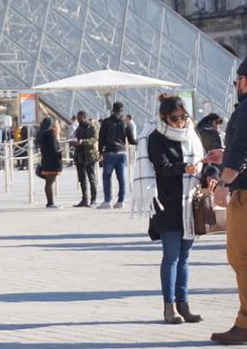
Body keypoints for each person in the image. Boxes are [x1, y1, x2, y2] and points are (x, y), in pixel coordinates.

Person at [134, 94, 217, 325]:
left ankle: (184, 303)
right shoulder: (155, 138)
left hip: (190, 204)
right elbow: (162, 167)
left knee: (185, 257)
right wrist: (185, 168)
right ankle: (169, 306)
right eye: (175, 118)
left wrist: (211, 174)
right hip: (168, 205)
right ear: (163, 117)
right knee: (171, 256)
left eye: (183, 116)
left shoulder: (192, 134)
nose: (180, 122)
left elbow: (206, 163)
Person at [212, 57, 247, 345]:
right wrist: (224, 157)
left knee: (241, 258)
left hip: (246, 195)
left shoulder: (245, 109)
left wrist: (224, 182)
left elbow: (242, 149)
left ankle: (246, 323)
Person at [99, 102, 137, 209]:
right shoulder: (126, 122)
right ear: (122, 110)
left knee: (106, 176)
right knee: (121, 177)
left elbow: (101, 138)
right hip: (122, 153)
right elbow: (131, 140)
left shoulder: (106, 122)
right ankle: (121, 201)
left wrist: (100, 151)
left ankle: (108, 201)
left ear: (113, 109)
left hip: (109, 152)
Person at [72, 111, 99, 207]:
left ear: (84, 117)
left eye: (80, 118)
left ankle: (93, 199)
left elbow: (94, 139)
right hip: (80, 156)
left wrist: (83, 142)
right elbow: (76, 136)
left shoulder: (92, 127)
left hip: (89, 156)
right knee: (82, 179)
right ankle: (84, 199)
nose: (78, 120)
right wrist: (74, 141)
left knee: (91, 178)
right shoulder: (79, 127)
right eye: (78, 118)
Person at [36, 117, 63, 208]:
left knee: (48, 183)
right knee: (49, 183)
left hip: (46, 161)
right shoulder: (51, 134)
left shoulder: (42, 134)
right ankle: (50, 203)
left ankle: (50, 202)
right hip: (52, 162)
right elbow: (55, 148)